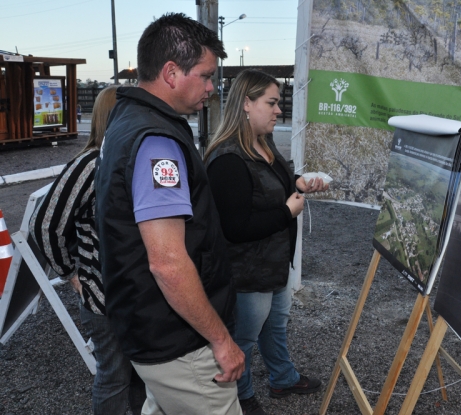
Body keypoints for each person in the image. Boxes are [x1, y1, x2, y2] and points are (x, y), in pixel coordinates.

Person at [94, 13, 244, 415]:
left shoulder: (127, 119)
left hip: (151, 328)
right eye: (207, 76)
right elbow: (168, 263)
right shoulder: (155, 139)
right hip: (178, 340)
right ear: (172, 72)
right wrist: (221, 340)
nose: (212, 89)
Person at [205, 69, 328, 415]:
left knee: (275, 326)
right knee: (242, 339)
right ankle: (240, 398)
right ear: (246, 103)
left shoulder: (263, 142)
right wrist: (287, 212)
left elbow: (279, 181)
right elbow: (236, 227)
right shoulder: (228, 159)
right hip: (247, 274)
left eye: (279, 103)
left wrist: (300, 183)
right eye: (272, 103)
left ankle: (282, 378)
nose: (279, 110)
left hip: (274, 265)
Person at [30, 85, 147, 415]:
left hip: (137, 297)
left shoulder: (133, 159)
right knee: (114, 379)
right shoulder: (89, 164)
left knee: (142, 377)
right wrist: (71, 273)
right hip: (105, 299)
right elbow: (45, 225)